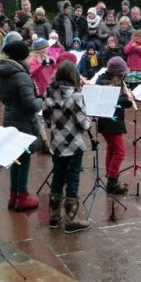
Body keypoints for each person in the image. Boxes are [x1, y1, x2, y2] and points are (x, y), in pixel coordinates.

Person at [43, 61, 92, 233]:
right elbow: (83, 124)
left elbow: (47, 120)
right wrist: (90, 119)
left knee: (57, 176)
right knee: (73, 179)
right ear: (74, 76)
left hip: (56, 144)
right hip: (73, 145)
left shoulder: (49, 91)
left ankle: (54, 216)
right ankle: (71, 220)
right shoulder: (76, 96)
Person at [0, 41, 42, 211]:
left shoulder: (5, 72)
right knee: (25, 158)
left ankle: (13, 195)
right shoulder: (21, 75)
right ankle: (22, 196)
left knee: (16, 158)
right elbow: (30, 104)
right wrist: (41, 100)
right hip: (23, 121)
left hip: (10, 117)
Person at [95, 56, 134, 194]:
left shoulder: (108, 80)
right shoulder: (106, 83)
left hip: (110, 121)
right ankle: (112, 181)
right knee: (119, 152)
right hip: (110, 121)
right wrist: (127, 100)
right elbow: (113, 100)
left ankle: (110, 176)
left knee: (111, 150)